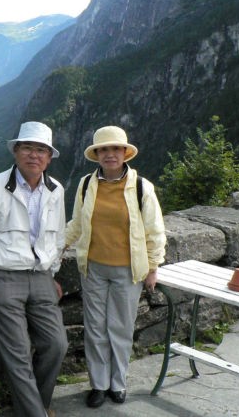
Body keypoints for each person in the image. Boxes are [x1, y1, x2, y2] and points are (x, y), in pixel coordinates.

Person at [0, 121, 68, 417]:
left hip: (41, 276)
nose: (34, 155)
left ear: (49, 157)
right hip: (2, 279)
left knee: (56, 345)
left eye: (41, 150)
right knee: (18, 353)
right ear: (16, 152)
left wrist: (52, 273)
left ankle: (35, 407)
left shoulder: (56, 190)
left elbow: (57, 237)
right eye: (28, 148)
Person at [65, 125, 166, 409]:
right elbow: (77, 223)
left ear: (124, 153)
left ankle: (118, 383)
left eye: (115, 149)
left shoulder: (142, 187)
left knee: (120, 328)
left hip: (128, 271)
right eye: (103, 149)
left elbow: (154, 230)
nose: (110, 154)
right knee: (95, 328)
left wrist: (153, 267)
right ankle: (98, 385)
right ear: (97, 154)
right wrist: (56, 246)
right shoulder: (86, 184)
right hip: (93, 268)